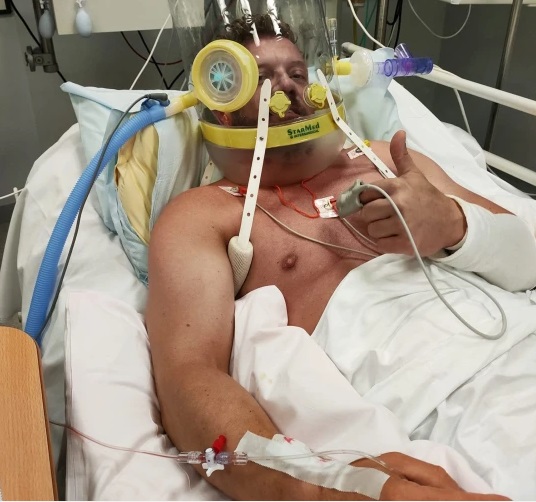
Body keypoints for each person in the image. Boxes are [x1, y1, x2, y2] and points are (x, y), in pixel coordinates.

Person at [146, 13, 532, 501]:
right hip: (445, 405)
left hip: (520, 340)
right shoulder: (206, 214)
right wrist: (327, 487)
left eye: (297, 72)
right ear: (220, 99)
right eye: (261, 78)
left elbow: (527, 262)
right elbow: (189, 378)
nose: (288, 86)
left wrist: (454, 225)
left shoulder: (387, 159)